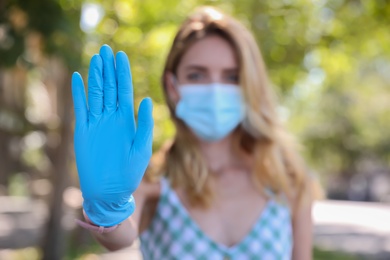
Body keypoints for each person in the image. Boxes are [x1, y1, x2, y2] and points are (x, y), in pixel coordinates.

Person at [72, 6, 313, 260]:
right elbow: (119, 239)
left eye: (231, 77)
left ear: (249, 85)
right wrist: (108, 210)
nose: (214, 90)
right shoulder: (152, 180)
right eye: (197, 75)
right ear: (173, 86)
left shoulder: (288, 181)